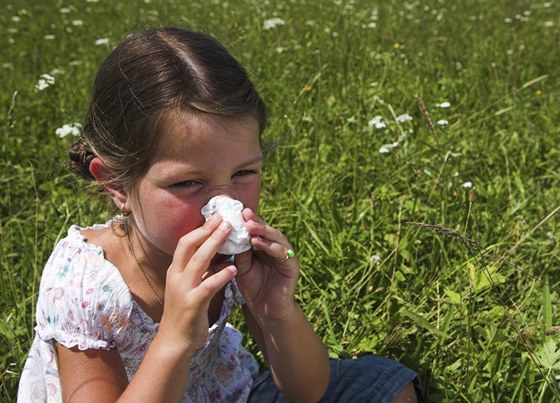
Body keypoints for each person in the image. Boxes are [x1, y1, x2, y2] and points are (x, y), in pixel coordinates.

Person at [18, 27, 422, 402]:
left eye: (243, 173)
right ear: (118, 185)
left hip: (224, 392)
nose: (223, 202)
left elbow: (308, 391)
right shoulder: (85, 283)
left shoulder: (233, 263)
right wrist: (175, 337)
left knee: (388, 384)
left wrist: (275, 311)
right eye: (187, 183)